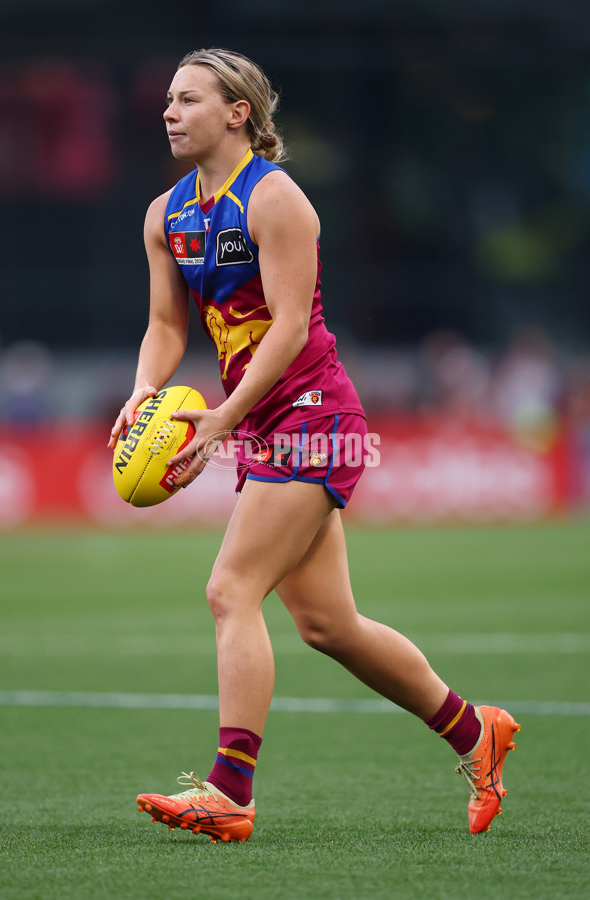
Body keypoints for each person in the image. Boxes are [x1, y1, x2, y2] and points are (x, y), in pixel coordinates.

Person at [108, 48, 520, 843]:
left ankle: (230, 792)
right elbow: (164, 325)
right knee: (328, 624)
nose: (168, 111)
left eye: (188, 99)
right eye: (168, 99)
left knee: (230, 590)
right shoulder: (165, 216)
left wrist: (223, 417)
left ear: (238, 112)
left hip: (314, 416)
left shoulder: (276, 200)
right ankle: (477, 731)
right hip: (265, 422)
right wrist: (143, 390)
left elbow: (291, 327)